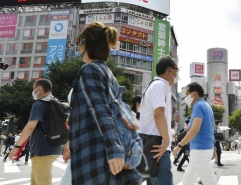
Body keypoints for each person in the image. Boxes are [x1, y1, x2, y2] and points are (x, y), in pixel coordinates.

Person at [69, 22, 141, 184]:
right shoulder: (108, 73)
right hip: (105, 158)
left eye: (80, 43)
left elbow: (101, 110)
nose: (79, 49)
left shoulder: (89, 70)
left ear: (87, 44)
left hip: (95, 157)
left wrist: (114, 149)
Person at [9, 79, 63, 185]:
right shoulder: (57, 103)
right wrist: (66, 148)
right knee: (34, 182)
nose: (33, 92)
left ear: (39, 89)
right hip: (55, 148)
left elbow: (30, 127)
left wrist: (16, 148)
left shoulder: (39, 104)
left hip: (42, 150)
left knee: (43, 183)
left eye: (33, 89)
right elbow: (64, 126)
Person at [140, 55, 177, 185]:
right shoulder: (159, 85)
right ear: (168, 71)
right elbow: (159, 114)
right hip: (158, 144)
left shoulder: (154, 85)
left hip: (152, 144)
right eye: (176, 70)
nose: (176, 74)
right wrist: (167, 141)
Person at [172, 82, 219, 185]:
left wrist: (179, 146)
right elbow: (204, 128)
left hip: (200, 150)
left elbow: (195, 130)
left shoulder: (198, 106)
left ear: (194, 94)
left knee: (210, 182)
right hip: (202, 149)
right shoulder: (206, 105)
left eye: (187, 94)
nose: (186, 97)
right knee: (188, 181)